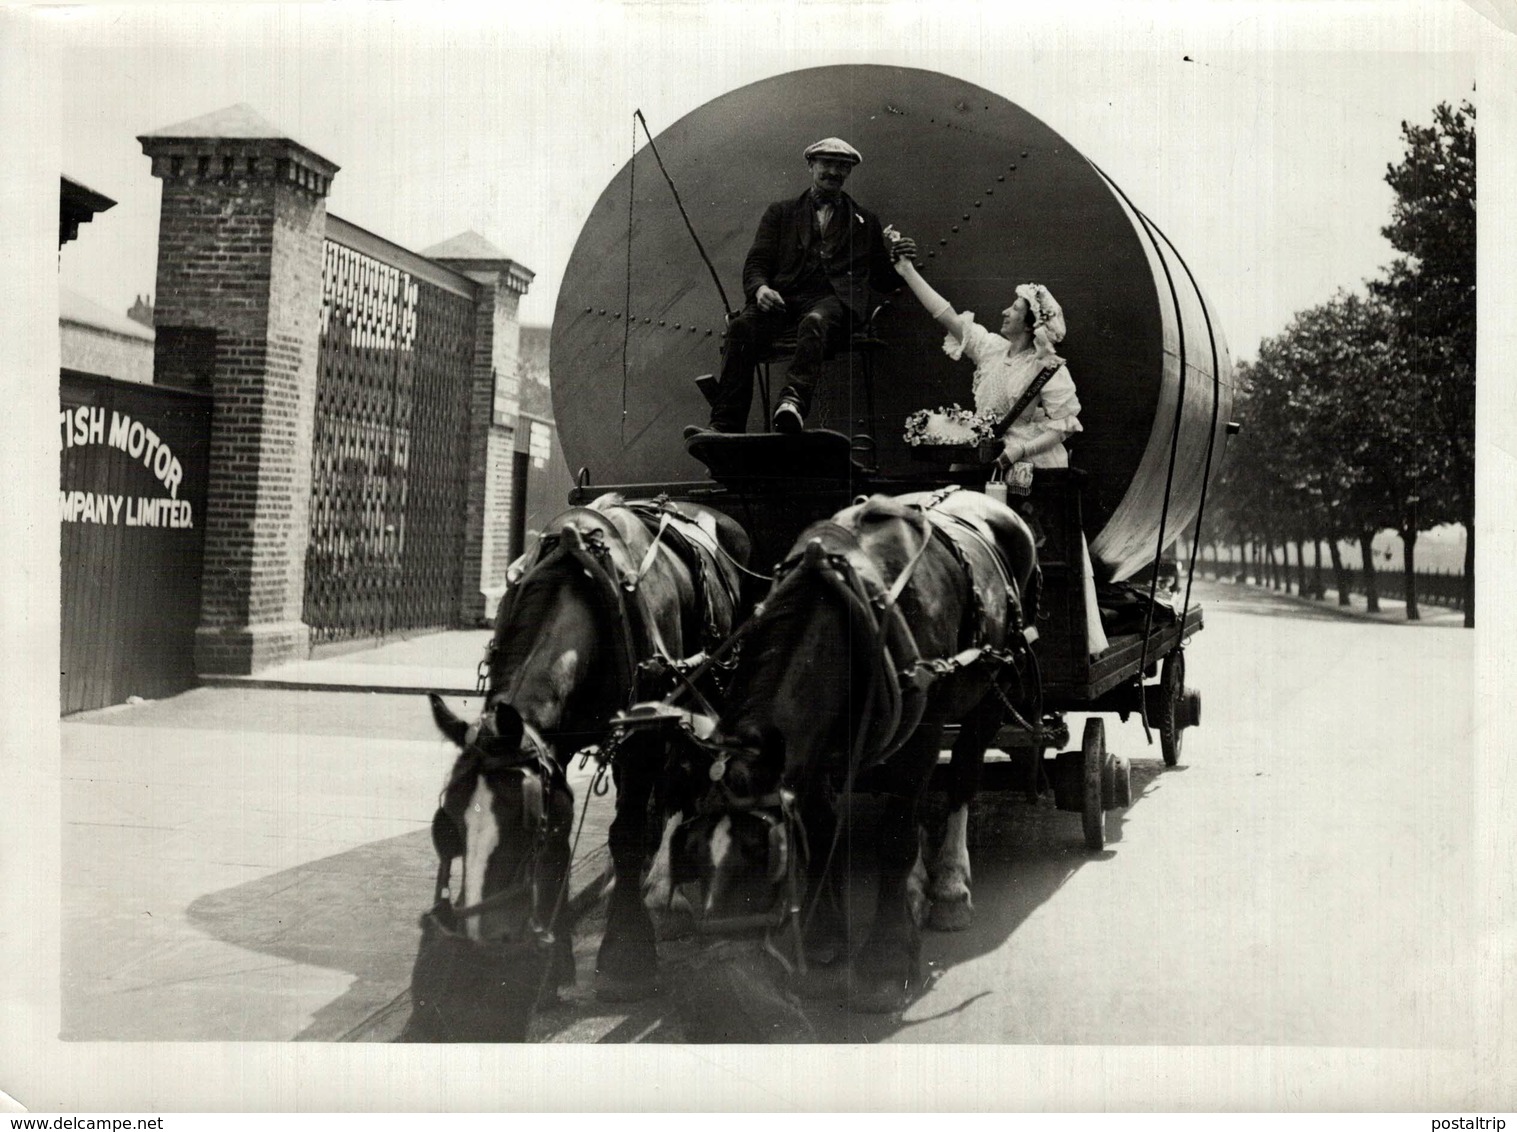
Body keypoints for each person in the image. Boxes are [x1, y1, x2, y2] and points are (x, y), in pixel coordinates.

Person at [890, 245, 1110, 655]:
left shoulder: (1047, 368)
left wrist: (1016, 454)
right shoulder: (990, 350)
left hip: (1028, 462)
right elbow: (947, 315)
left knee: (1028, 552)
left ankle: (1036, 630)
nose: (1004, 313)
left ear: (1029, 325)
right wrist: (906, 272)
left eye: (1013, 309)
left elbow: (1065, 425)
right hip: (983, 457)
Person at [688, 137, 903, 437]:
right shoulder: (780, 213)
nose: (834, 172)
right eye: (826, 164)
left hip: (832, 302)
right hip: (783, 302)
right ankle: (725, 424)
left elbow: (883, 279)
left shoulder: (865, 221)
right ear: (811, 165)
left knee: (814, 322)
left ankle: (792, 404)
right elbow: (756, 264)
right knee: (740, 329)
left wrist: (903, 261)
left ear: (849, 173)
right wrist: (761, 290)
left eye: (842, 166)